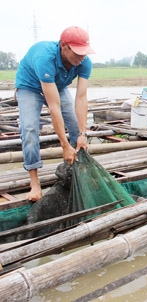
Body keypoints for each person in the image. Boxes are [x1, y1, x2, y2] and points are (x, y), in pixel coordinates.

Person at [15, 26, 95, 201]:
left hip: (57, 85)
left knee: (76, 126)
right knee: (29, 129)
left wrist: (82, 133)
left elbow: (81, 97)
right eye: (77, 52)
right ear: (63, 46)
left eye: (84, 53)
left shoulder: (84, 62)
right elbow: (54, 107)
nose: (81, 57)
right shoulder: (45, 58)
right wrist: (64, 145)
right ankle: (34, 183)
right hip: (30, 87)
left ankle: (80, 170)